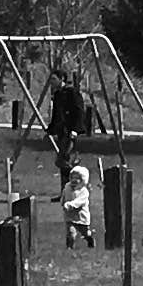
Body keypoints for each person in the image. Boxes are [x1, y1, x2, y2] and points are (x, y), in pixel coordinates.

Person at [47, 64, 93, 192]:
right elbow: (56, 114)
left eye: (54, 79)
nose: (52, 82)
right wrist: (51, 129)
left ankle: (78, 186)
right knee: (63, 161)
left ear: (61, 79)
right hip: (62, 131)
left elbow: (79, 111)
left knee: (64, 160)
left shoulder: (72, 92)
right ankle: (65, 191)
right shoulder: (57, 95)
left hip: (70, 131)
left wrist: (76, 130)